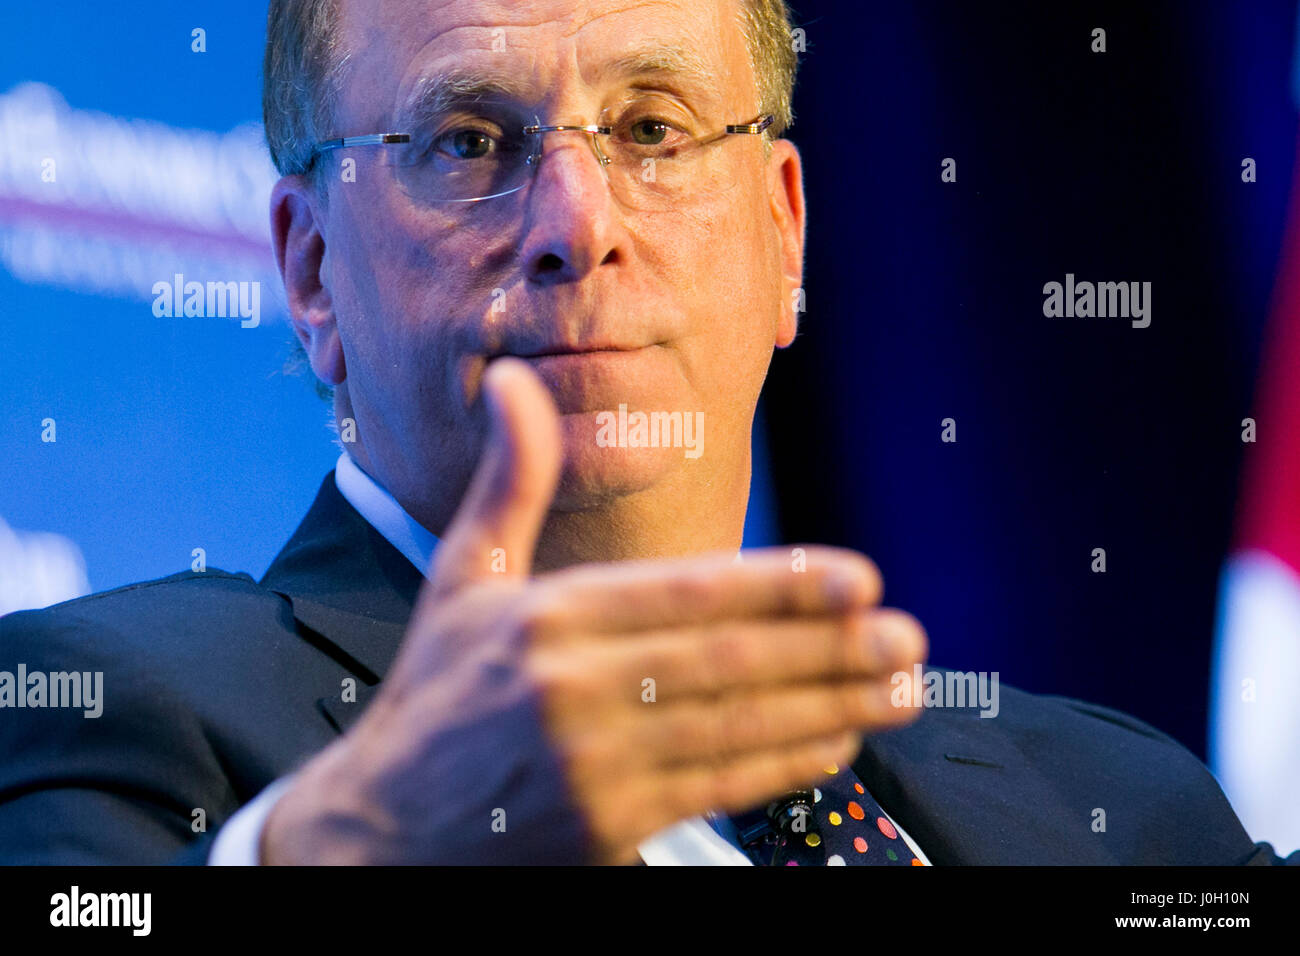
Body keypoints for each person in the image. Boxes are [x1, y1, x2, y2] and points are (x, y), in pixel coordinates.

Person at [0, 0, 1290, 866]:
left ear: (785, 234)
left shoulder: (1127, 814)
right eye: (469, 139)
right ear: (315, 270)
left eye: (653, 130)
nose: (577, 220)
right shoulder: (96, 719)